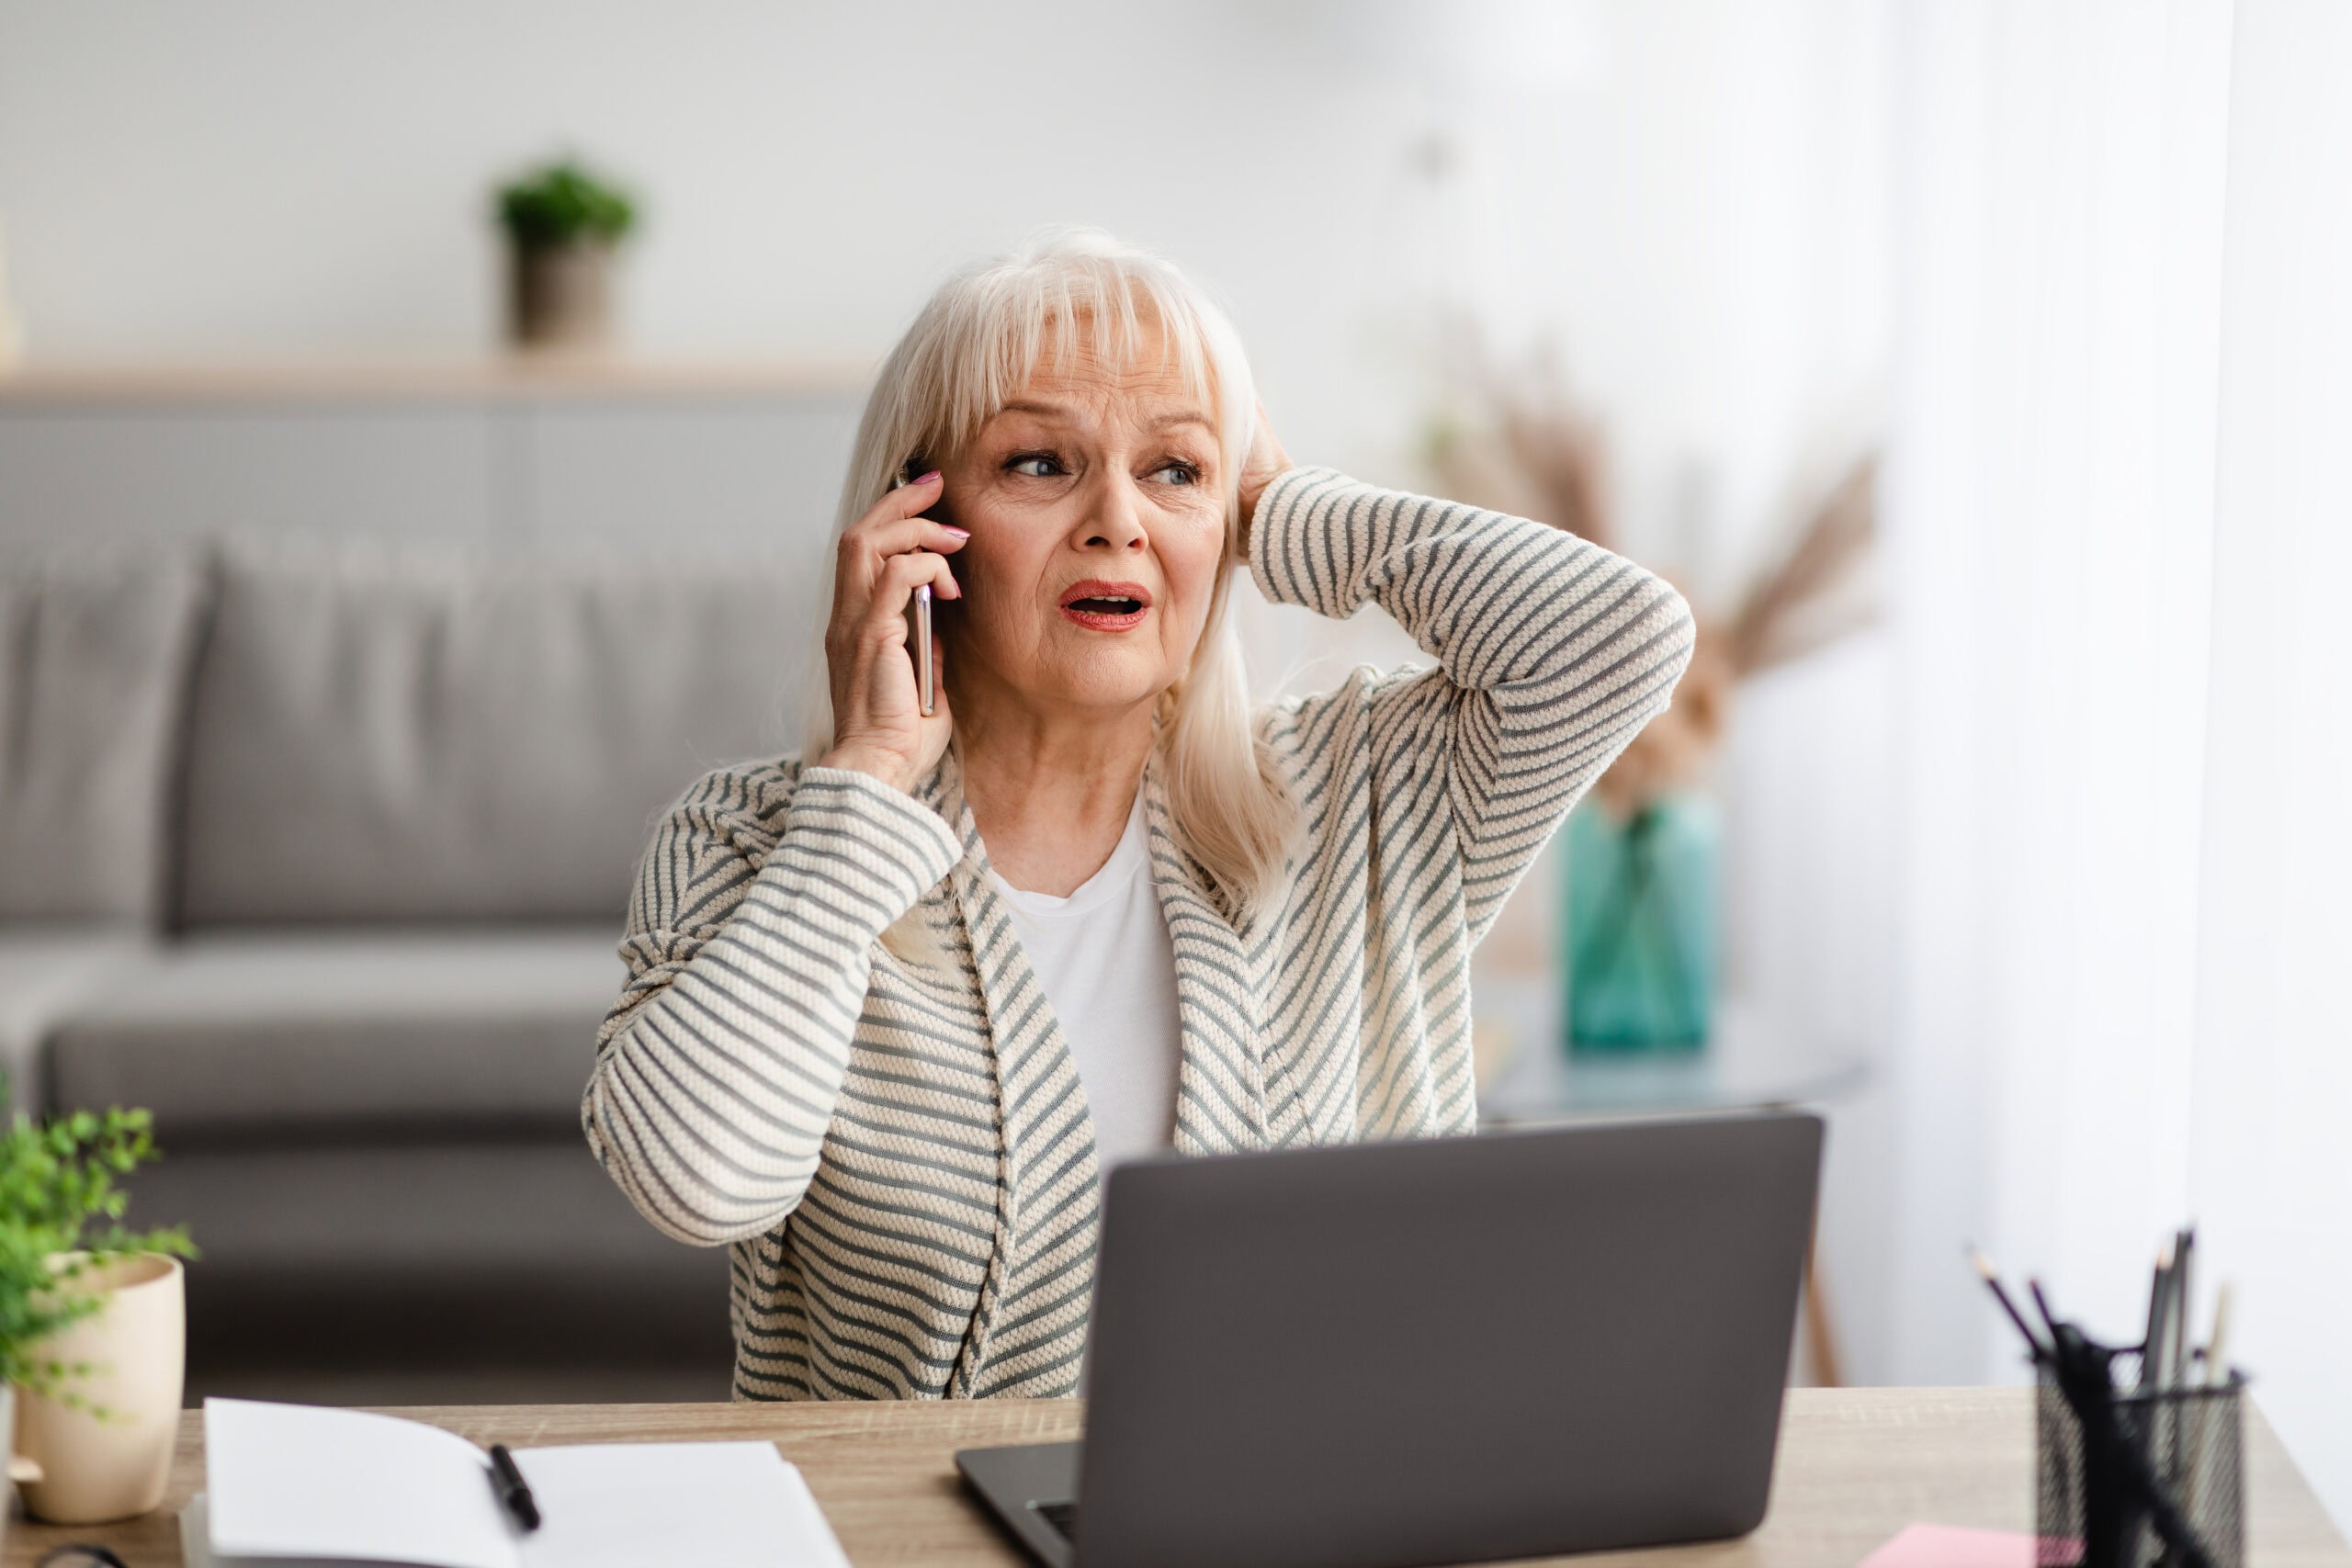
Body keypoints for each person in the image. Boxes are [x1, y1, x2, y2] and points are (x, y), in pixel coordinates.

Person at [582, 231, 1694, 1401]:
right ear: (918, 523)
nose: (1118, 520)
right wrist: (863, 786)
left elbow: (1623, 640)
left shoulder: (1362, 796)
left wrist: (1272, 502)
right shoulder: (754, 843)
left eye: (1171, 473)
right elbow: (694, 1181)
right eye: (1037, 464)